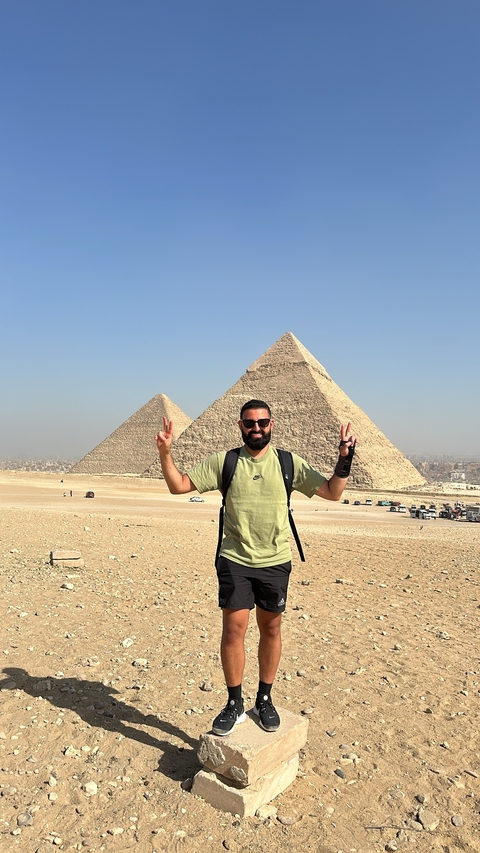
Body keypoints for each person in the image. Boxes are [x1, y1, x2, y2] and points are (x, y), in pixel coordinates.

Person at [155, 399, 357, 737]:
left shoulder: (288, 463)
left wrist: (345, 458)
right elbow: (178, 485)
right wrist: (165, 453)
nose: (256, 428)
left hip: (275, 561)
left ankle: (264, 698)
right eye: (250, 423)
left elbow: (332, 492)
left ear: (272, 424)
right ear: (240, 426)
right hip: (235, 559)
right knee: (233, 630)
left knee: (272, 629)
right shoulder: (225, 462)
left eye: (262, 422)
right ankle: (234, 703)